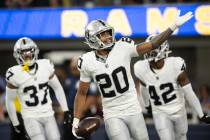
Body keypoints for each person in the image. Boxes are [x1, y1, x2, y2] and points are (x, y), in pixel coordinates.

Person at [72, 10, 193, 140]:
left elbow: (153, 44)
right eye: (102, 34)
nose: (108, 36)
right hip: (112, 113)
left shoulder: (123, 47)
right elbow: (82, 93)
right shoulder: (86, 61)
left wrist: (173, 26)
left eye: (108, 33)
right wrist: (76, 119)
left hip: (133, 109)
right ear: (92, 38)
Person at [134, 34, 210, 140]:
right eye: (150, 48)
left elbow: (189, 93)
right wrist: (147, 105)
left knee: (182, 136)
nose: (150, 51)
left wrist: (201, 114)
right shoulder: (141, 67)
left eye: (154, 48)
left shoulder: (175, 65)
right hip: (159, 112)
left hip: (178, 110)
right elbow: (143, 88)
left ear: (163, 48)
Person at [5, 37, 72, 140]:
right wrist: (15, 122)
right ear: (18, 54)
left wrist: (65, 110)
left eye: (29, 50)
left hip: (49, 114)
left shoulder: (45, 65)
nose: (27, 54)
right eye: (23, 52)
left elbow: (57, 88)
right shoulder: (14, 73)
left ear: (35, 51)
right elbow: (9, 101)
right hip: (30, 117)